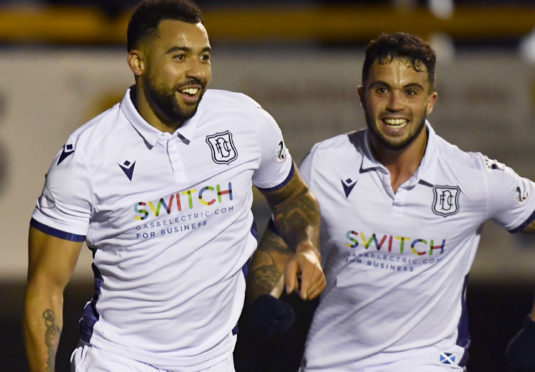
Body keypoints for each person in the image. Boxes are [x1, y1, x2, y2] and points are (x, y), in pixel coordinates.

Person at [23, 1, 326, 371]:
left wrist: (307, 246)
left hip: (213, 362)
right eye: (179, 57)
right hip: (117, 361)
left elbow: (292, 196)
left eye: (204, 57)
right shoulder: (86, 157)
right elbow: (45, 286)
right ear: (138, 62)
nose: (196, 72)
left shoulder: (244, 121)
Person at [245, 32, 535, 371]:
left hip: (429, 362)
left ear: (431, 101)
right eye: (382, 90)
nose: (395, 104)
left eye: (410, 92)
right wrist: (262, 300)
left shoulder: (473, 177)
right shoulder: (326, 162)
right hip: (331, 363)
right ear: (361, 96)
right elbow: (280, 238)